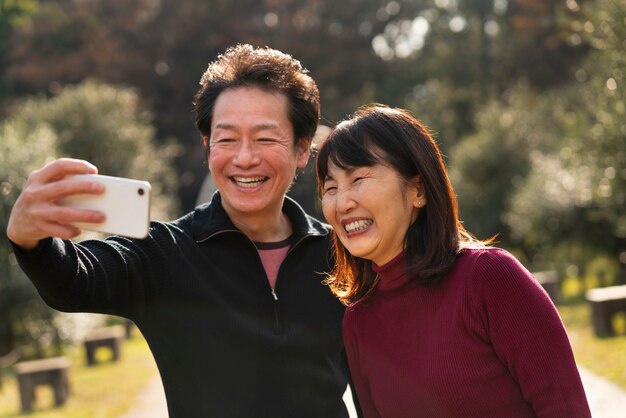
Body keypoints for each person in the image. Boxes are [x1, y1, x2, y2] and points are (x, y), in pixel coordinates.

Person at [6, 44, 357, 418]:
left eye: (265, 138)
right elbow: (72, 281)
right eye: (226, 138)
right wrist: (30, 239)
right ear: (207, 147)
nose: (244, 157)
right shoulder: (166, 253)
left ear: (302, 149)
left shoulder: (342, 254)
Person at [315, 104, 591, 418]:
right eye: (330, 188)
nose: (342, 202)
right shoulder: (358, 322)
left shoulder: (491, 278)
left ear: (417, 190)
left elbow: (566, 409)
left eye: (358, 179)